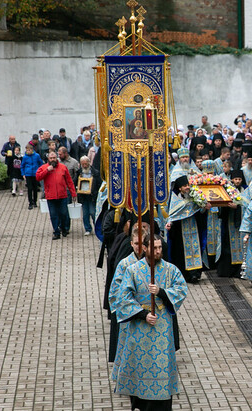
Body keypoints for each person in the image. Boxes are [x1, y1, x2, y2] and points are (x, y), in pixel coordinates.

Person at [110, 234, 188, 411]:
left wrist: (161, 292)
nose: (158, 251)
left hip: (163, 328)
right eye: (154, 248)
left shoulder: (170, 270)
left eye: (160, 247)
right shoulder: (133, 270)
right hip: (140, 328)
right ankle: (141, 404)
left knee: (161, 367)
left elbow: (182, 289)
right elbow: (122, 298)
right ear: (145, 248)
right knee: (141, 365)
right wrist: (143, 314)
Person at [107, 222, 148, 363]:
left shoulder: (152, 264)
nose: (139, 247)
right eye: (136, 243)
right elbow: (115, 292)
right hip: (130, 312)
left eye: (142, 243)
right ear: (131, 243)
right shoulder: (124, 264)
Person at [166, 175, 209, 283]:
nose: (187, 187)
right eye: (185, 186)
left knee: (195, 250)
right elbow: (172, 215)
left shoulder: (194, 197)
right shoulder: (176, 199)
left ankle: (195, 274)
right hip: (180, 232)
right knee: (181, 253)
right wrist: (169, 224)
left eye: (188, 185)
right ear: (180, 188)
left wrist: (204, 208)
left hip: (194, 229)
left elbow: (200, 213)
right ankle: (184, 274)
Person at [36, 151, 76, 240]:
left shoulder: (63, 167)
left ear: (56, 158)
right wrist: (47, 170)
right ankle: (56, 232)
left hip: (62, 196)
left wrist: (73, 193)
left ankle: (63, 228)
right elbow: (38, 177)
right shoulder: (44, 167)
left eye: (54, 158)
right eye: (51, 158)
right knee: (53, 215)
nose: (53, 159)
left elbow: (69, 181)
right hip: (51, 196)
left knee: (64, 213)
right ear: (48, 159)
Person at [217, 170, 248, 278]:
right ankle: (228, 271)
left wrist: (237, 207)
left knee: (241, 247)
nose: (237, 181)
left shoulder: (246, 191)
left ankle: (240, 271)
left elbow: (248, 206)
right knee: (228, 248)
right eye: (236, 179)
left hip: (241, 225)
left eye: (239, 179)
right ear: (232, 180)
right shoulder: (227, 190)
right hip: (229, 223)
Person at [75, 156, 102, 236]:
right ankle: (88, 229)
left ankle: (97, 228)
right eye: (83, 164)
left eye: (86, 164)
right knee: (85, 214)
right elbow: (75, 181)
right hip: (83, 197)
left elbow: (99, 183)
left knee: (93, 213)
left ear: (89, 163)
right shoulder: (79, 172)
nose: (85, 166)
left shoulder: (95, 172)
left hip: (92, 196)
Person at [21, 144, 43, 209]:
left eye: (29, 150)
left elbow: (40, 163)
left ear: (32, 150)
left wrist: (39, 171)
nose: (28, 151)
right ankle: (30, 202)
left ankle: (35, 202)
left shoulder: (37, 156)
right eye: (27, 150)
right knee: (29, 188)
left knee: (35, 188)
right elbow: (22, 166)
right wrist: (23, 174)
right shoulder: (25, 157)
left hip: (35, 174)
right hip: (28, 174)